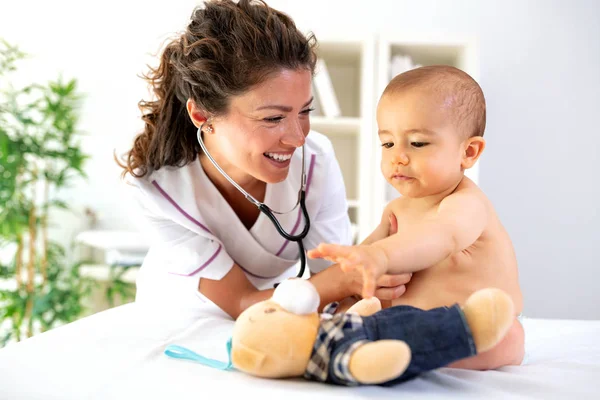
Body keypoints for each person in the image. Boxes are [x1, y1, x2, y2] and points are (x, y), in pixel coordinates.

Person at [117, 0, 411, 319]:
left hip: (275, 315)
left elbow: (339, 287)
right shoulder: (156, 190)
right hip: (180, 317)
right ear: (202, 114)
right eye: (273, 118)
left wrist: (365, 274)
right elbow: (241, 302)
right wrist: (342, 281)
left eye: (305, 111)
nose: (298, 138)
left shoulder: (316, 161)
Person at [308, 65, 525, 370]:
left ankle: (393, 356)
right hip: (408, 323)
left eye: (418, 143)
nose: (398, 156)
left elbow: (442, 235)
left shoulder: (466, 204)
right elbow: (365, 268)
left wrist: (381, 255)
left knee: (507, 336)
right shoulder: (395, 211)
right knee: (350, 316)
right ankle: (376, 354)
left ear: (469, 152)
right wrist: (352, 272)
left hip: (468, 326)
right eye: (387, 143)